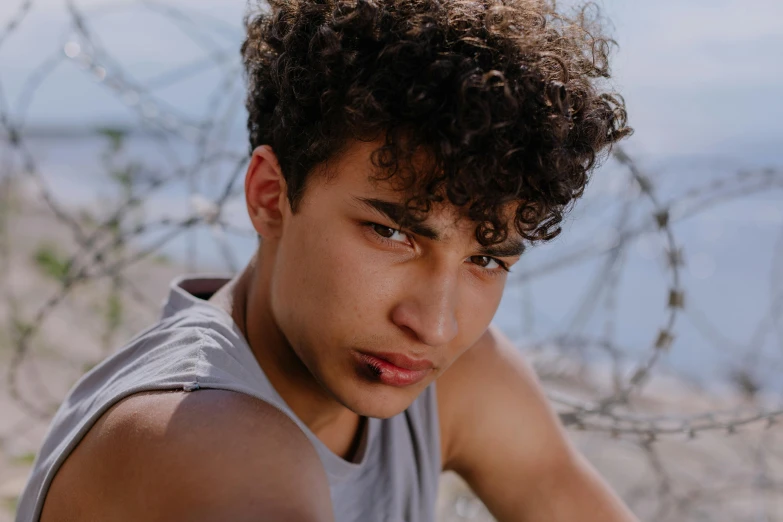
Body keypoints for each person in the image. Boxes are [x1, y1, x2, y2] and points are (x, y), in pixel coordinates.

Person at [16, 0, 638, 520]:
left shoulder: (453, 382)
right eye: (392, 234)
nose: (436, 325)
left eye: (486, 259)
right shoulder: (201, 435)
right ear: (270, 197)